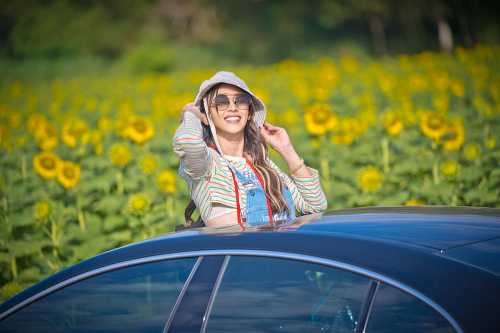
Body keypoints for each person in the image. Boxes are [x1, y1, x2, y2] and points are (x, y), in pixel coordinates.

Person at [173, 71, 327, 228]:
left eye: (241, 101)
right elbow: (188, 142)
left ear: (249, 113)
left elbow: (315, 206)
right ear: (207, 116)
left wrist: (286, 149)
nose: (233, 107)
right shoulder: (207, 166)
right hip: (240, 252)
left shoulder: (265, 166)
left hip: (277, 251)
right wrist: (191, 113)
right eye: (221, 102)